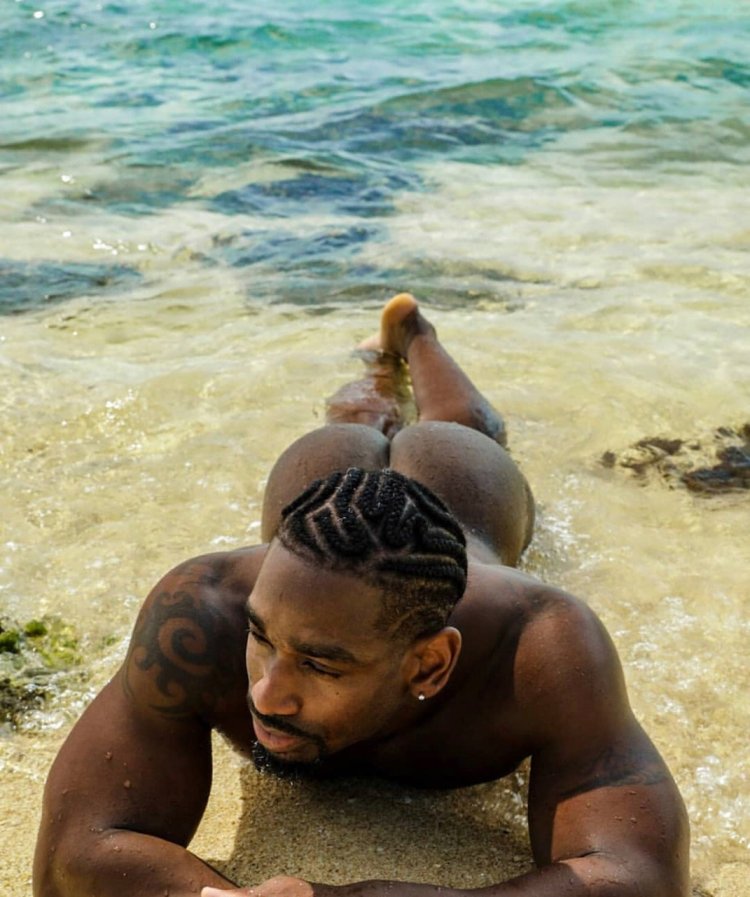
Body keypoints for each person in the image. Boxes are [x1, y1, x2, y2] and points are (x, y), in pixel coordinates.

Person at [33, 293, 689, 897]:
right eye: (261, 637)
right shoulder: (201, 613)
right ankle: (376, 372)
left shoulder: (538, 646)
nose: (266, 693)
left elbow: (639, 878)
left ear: (429, 664)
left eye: (320, 664)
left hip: (466, 486)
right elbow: (71, 859)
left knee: (463, 427)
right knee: (352, 424)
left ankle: (414, 334)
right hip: (325, 476)